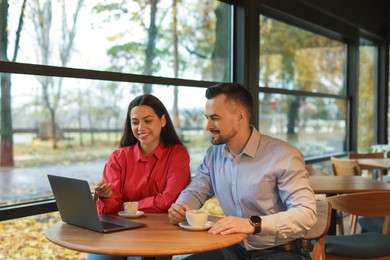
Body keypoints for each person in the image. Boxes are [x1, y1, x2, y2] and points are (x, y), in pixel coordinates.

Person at [168, 83, 317, 260]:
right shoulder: (213, 155)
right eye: (207, 117)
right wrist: (182, 207)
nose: (208, 126)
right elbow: (196, 190)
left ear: (240, 116)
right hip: (234, 247)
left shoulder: (284, 155)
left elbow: (306, 213)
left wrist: (253, 225)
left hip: (281, 250)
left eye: (215, 118)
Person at [88, 94, 191, 260]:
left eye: (148, 120)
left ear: (163, 120)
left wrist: (127, 207)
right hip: (120, 231)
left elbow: (168, 200)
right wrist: (106, 197)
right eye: (135, 122)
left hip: (161, 232)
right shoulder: (118, 157)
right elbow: (108, 211)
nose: (140, 127)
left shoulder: (177, 154)